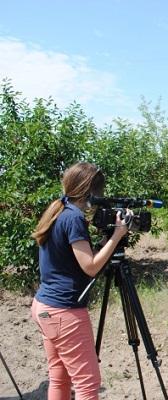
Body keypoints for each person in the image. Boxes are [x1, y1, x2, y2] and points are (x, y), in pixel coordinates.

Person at [30, 162, 131, 400]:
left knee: (59, 377)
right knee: (87, 384)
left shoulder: (58, 210)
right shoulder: (74, 218)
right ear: (91, 191)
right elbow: (91, 267)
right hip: (64, 312)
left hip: (44, 306)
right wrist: (117, 235)